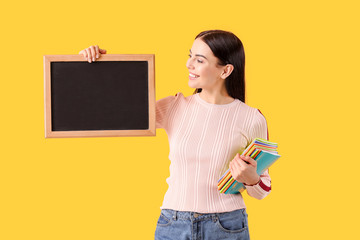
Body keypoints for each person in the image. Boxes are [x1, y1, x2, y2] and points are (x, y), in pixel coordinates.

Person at [79, 29, 272, 240]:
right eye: (190, 56)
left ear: (225, 71)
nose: (189, 64)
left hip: (227, 226)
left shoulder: (252, 118)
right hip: (173, 225)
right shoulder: (174, 106)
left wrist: (252, 179)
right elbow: (111, 114)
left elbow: (263, 188)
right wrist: (94, 67)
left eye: (199, 60)